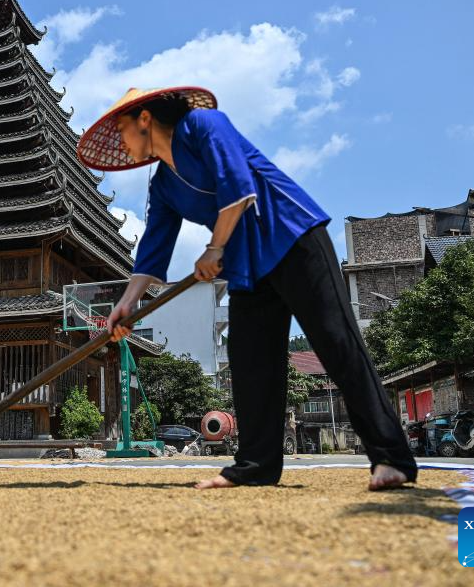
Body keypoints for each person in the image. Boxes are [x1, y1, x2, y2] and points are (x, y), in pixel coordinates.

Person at [76, 87, 417, 491]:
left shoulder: (203, 125)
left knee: (336, 343)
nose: (123, 142)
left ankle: (390, 457)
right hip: (245, 264)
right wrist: (126, 306)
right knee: (252, 365)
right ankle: (256, 465)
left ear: (145, 120)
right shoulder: (163, 185)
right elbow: (153, 250)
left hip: (291, 235)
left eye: (123, 130)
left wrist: (213, 247)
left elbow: (238, 188)